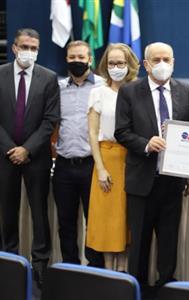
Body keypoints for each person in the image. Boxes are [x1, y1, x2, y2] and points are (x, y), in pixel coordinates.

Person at [114, 42, 189, 289]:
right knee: (139, 243)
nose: (162, 64)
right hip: (142, 181)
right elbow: (121, 131)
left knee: (169, 242)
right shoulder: (129, 91)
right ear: (146, 64)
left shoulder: (184, 90)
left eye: (167, 59)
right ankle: (137, 290)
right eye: (156, 60)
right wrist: (146, 144)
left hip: (172, 181)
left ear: (173, 62)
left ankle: (165, 288)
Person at [0, 28, 60, 287]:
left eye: (34, 48)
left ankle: (39, 268)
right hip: (4, 156)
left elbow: (51, 120)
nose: (29, 52)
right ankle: (8, 262)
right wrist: (11, 149)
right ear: (14, 48)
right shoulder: (0, 74)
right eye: (25, 47)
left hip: (36, 158)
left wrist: (27, 149)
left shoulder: (48, 78)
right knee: (6, 211)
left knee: (39, 213)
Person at [86, 43, 140, 271]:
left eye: (121, 63)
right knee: (109, 221)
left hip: (135, 161)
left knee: (127, 220)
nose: (116, 67)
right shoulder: (97, 92)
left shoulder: (140, 91)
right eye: (111, 63)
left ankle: (124, 272)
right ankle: (108, 274)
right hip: (107, 160)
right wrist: (100, 169)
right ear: (105, 66)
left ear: (130, 65)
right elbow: (92, 132)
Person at [53, 40, 104, 268]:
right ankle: (69, 267)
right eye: (72, 58)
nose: (77, 62)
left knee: (93, 222)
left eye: (81, 58)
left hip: (92, 165)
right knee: (65, 222)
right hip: (63, 165)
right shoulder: (58, 88)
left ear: (90, 60)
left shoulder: (102, 87)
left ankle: (93, 270)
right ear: (66, 59)